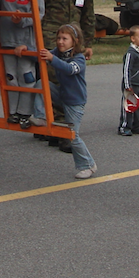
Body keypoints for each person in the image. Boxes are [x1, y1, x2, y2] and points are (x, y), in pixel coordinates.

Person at [39, 0, 95, 123]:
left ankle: (62, 123)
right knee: (52, 78)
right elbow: (38, 6)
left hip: (74, 38)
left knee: (70, 79)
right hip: (52, 35)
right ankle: (53, 121)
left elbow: (88, 13)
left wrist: (88, 42)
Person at [39, 23, 96, 179]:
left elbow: (70, 69)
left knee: (72, 135)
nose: (60, 42)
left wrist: (52, 59)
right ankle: (38, 116)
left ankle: (88, 166)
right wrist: (23, 52)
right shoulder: (58, 52)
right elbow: (43, 55)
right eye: (58, 38)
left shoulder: (79, 58)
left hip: (75, 101)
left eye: (64, 39)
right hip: (62, 94)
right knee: (41, 85)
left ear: (75, 41)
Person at [118, 25, 139, 136]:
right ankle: (124, 127)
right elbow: (127, 70)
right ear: (133, 39)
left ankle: (137, 126)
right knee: (129, 107)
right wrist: (127, 85)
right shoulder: (131, 53)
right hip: (131, 85)